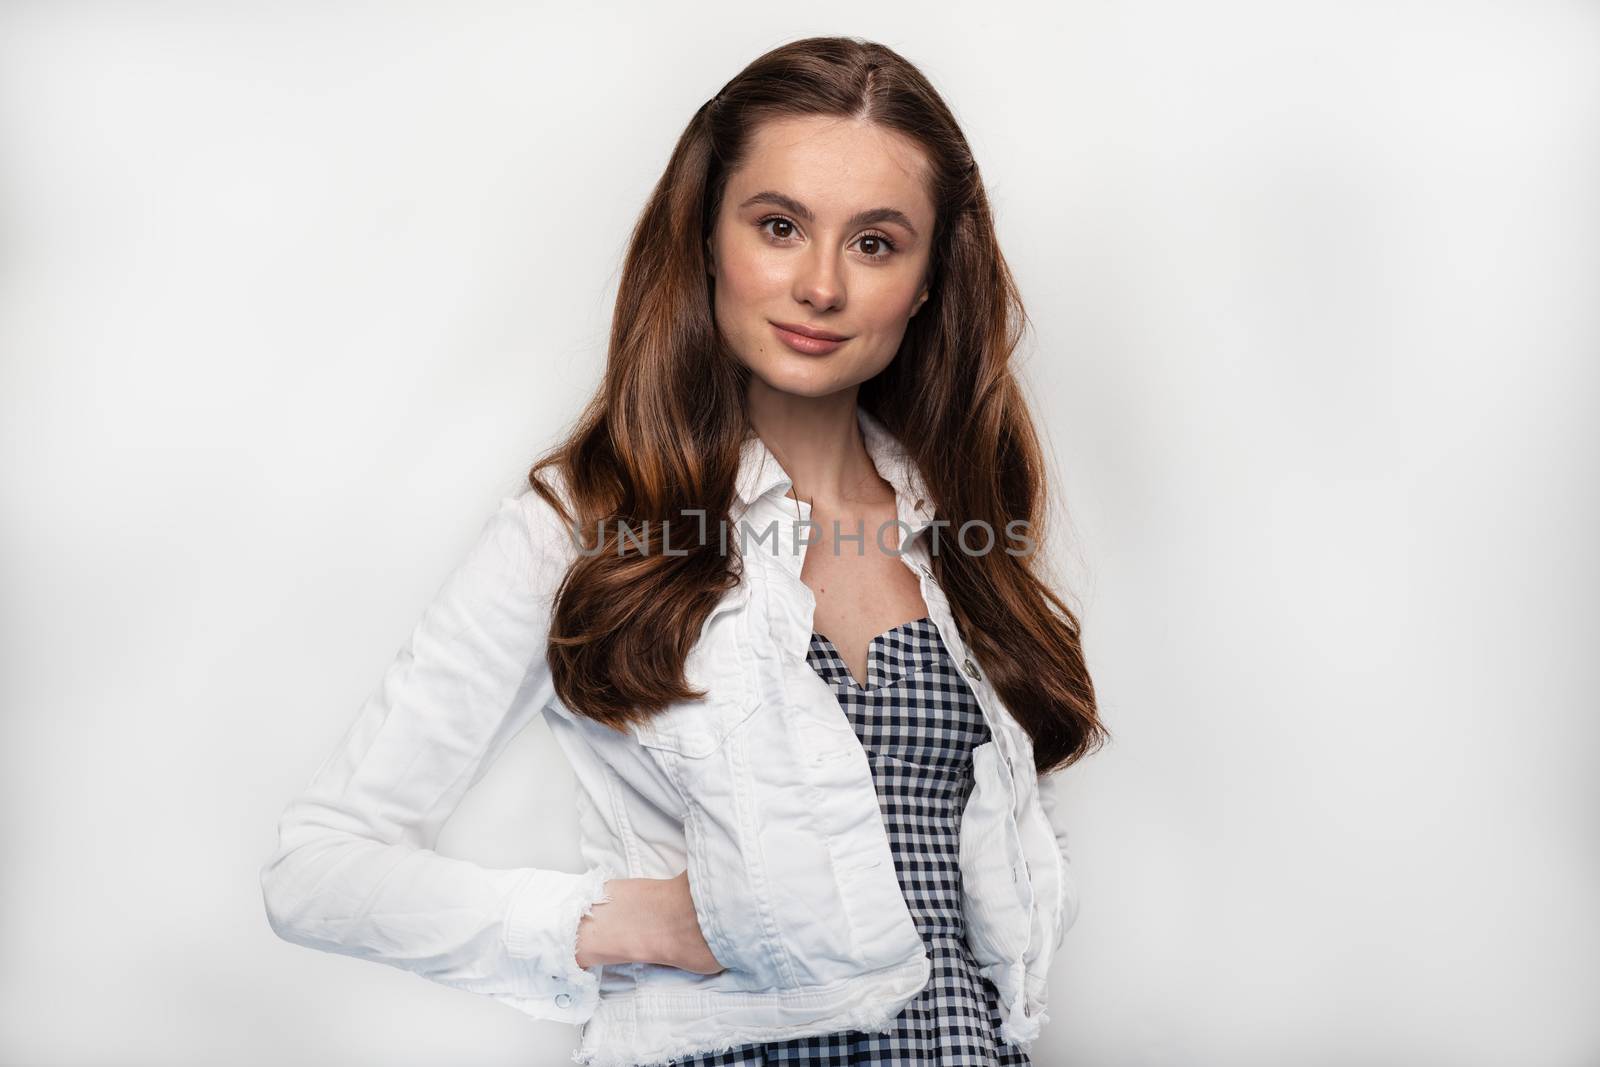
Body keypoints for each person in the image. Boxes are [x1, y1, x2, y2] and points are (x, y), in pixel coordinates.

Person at [260, 34, 1106, 1067]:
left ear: (931, 279)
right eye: (780, 226)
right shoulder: (584, 522)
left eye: (877, 242)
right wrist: (629, 920)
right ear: (708, 237)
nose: (822, 286)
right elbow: (318, 868)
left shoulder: (959, 531)